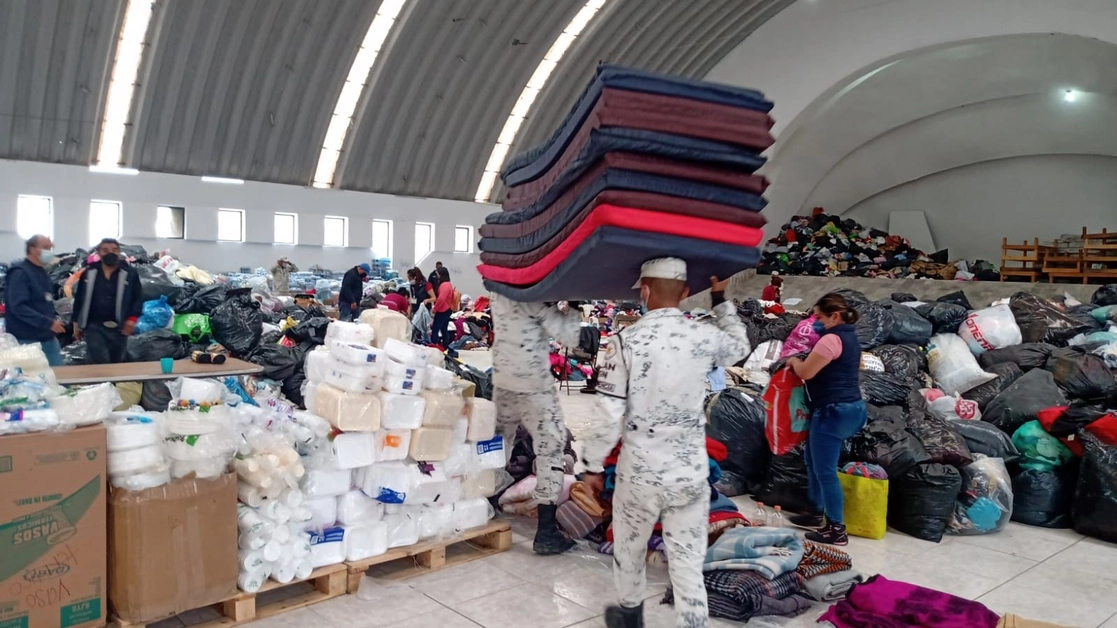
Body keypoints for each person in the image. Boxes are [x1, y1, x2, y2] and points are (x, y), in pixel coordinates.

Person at [581, 258, 750, 628]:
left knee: (629, 548)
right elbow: (739, 346)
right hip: (689, 470)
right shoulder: (704, 336)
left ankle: (630, 616)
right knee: (688, 558)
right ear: (687, 293)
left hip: (639, 471)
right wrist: (720, 300)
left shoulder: (626, 341)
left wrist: (592, 465)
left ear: (643, 291)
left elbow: (609, 411)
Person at [490, 293, 583, 554]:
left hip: (503, 377)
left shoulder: (499, 293)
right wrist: (573, 305)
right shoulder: (536, 300)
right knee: (551, 448)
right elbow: (569, 337)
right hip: (533, 383)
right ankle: (546, 532)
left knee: (499, 443)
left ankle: (485, 503)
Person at [786, 292, 868, 546]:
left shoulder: (830, 339)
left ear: (834, 316)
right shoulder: (850, 336)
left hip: (834, 411)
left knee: (825, 470)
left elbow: (807, 372)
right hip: (851, 407)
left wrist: (793, 361)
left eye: (819, 316)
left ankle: (836, 528)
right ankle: (815, 510)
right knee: (813, 458)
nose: (815, 321)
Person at [73, 238, 144, 364]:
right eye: (105, 250)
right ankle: (103, 383)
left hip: (120, 327)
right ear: (98, 252)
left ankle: (112, 384)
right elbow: (79, 298)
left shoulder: (129, 273)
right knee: (100, 363)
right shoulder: (89, 273)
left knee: (117, 363)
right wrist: (76, 324)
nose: (110, 253)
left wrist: (132, 320)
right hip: (94, 326)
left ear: (119, 252)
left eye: (114, 250)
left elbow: (137, 298)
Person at [4, 235, 66, 366]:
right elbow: (18, 306)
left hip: (46, 337)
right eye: (45, 248)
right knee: (34, 379)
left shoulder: (42, 272)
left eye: (50, 247)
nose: (50, 251)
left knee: (59, 378)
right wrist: (48, 323)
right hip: (26, 340)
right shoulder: (20, 272)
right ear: (32, 249)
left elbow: (44, 302)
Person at [431, 267, 454, 348]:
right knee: (444, 330)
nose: (436, 276)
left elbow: (441, 299)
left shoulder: (444, 285)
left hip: (443, 310)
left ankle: (434, 347)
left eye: (437, 274)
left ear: (441, 275)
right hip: (447, 309)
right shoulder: (448, 284)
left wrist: (434, 309)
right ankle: (445, 347)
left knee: (435, 329)